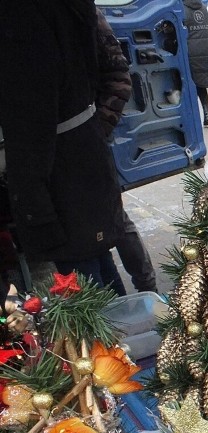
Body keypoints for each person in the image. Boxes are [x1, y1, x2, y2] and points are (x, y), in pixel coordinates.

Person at [0, 0, 126, 295]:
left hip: (60, 168)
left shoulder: (22, 16)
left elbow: (31, 115)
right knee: (95, 259)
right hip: (81, 152)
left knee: (82, 276)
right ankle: (126, 331)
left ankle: (116, 337)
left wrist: (33, 204)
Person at [95, 10, 159, 293]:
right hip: (55, 146)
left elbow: (119, 77)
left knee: (116, 218)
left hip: (88, 138)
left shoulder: (85, 16)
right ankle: (113, 302)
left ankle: (147, 287)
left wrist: (98, 126)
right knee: (87, 232)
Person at [182, 0, 208, 126]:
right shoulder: (203, 8)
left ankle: (192, 117)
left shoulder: (183, 9)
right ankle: (206, 112)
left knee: (190, 83)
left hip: (191, 50)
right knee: (201, 83)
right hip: (206, 49)